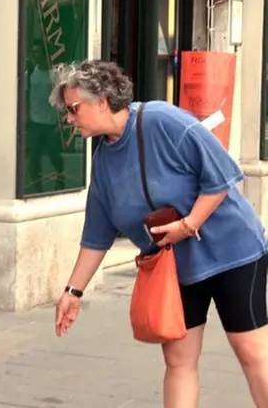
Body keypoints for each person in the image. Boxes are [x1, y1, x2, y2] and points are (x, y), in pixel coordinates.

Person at [50, 59, 268, 407]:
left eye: (74, 109)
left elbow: (222, 176)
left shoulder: (163, 120)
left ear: (102, 101)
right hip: (176, 268)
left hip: (233, 253)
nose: (70, 119)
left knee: (251, 351)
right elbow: (97, 235)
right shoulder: (104, 160)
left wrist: (188, 225)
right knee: (179, 360)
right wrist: (72, 292)